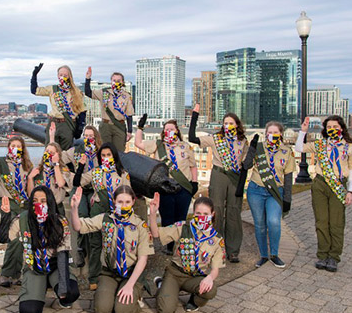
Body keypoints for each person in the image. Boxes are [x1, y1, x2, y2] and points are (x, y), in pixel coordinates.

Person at [70, 185, 154, 313]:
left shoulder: (140, 225)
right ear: (114, 201)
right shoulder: (105, 219)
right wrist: (74, 208)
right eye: (120, 202)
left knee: (122, 312)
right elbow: (78, 226)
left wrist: (130, 285)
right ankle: (113, 293)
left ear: (133, 202)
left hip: (130, 274)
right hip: (109, 272)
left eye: (127, 202)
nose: (124, 205)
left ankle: (136, 298)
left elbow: (143, 259)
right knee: (102, 311)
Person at [188, 104, 254, 263]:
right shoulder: (215, 138)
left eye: (231, 123)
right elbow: (192, 138)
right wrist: (195, 116)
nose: (228, 126)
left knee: (233, 212)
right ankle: (216, 247)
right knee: (216, 211)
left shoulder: (242, 141)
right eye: (225, 123)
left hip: (234, 179)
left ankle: (233, 250)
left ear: (237, 125)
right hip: (218, 175)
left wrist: (248, 162)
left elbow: (246, 162)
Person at [7, 186, 80, 313]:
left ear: (50, 203)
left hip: (54, 266)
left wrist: (63, 287)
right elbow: (5, 239)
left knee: (70, 292)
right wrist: (6, 215)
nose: (38, 204)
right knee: (29, 312)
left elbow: (63, 254)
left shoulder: (60, 221)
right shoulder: (23, 219)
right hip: (34, 266)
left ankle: (59, 292)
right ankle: (38, 287)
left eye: (43, 201)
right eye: (35, 201)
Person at [295, 116, 352, 273]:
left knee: (336, 223)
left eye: (335, 126)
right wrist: (303, 131)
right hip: (320, 184)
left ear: (341, 128)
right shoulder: (320, 144)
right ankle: (322, 255)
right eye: (329, 126)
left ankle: (334, 257)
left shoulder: (348, 146)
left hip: (338, 185)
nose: (332, 129)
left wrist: (350, 190)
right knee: (321, 222)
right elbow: (299, 148)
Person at [148, 195, 226, 313]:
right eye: (198, 213)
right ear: (193, 213)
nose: (202, 217)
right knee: (166, 311)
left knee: (211, 289)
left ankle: (194, 301)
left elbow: (215, 269)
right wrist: (153, 214)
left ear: (212, 214)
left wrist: (210, 278)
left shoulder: (216, 240)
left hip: (194, 277)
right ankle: (162, 285)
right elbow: (156, 234)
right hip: (175, 273)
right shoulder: (183, 227)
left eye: (206, 214)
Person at [135, 115, 199, 252]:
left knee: (181, 218)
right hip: (165, 187)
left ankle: (179, 245)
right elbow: (138, 144)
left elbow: (193, 166)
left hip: (183, 187)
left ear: (177, 131)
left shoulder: (185, 146)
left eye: (171, 128)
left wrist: (195, 183)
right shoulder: (158, 145)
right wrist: (140, 128)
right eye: (166, 129)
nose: (169, 131)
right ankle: (169, 245)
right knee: (167, 217)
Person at [73, 142, 131, 290]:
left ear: (114, 156)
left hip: (117, 211)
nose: (106, 158)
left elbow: (128, 194)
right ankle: (93, 277)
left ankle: (116, 274)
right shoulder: (96, 172)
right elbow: (77, 182)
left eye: (108, 155)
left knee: (116, 243)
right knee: (95, 244)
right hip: (98, 209)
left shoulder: (122, 173)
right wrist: (80, 165)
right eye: (103, 155)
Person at [246, 122, 296, 268]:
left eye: (275, 132)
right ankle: (263, 255)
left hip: (275, 191)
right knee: (260, 224)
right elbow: (246, 165)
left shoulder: (286, 152)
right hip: (256, 189)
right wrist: (251, 149)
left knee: (273, 221)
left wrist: (287, 199)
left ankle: (274, 254)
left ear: (280, 134)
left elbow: (288, 178)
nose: (272, 135)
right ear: (265, 133)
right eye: (270, 132)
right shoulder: (259, 148)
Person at [0, 136, 33, 287]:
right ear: (8, 147)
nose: (15, 148)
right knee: (13, 238)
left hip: (23, 204)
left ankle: (16, 273)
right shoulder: (0, 163)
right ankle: (7, 273)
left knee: (22, 239)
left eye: (18, 146)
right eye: (13, 145)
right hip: (8, 203)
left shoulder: (27, 165)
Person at [58, 124, 102, 269]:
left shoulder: (101, 153)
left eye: (91, 136)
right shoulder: (76, 151)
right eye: (86, 136)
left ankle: (96, 247)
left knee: (94, 214)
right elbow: (61, 158)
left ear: (96, 138)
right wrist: (67, 174)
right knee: (81, 213)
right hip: (80, 187)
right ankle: (81, 247)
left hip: (95, 187)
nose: (89, 139)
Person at [31, 63, 87, 150]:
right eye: (61, 75)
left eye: (65, 75)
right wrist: (34, 75)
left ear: (69, 76)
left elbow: (82, 110)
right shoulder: (53, 89)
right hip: (54, 122)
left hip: (68, 124)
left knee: (67, 151)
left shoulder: (76, 92)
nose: (63, 77)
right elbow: (35, 91)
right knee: (50, 149)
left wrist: (80, 127)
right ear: (57, 76)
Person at [83, 68, 134, 152]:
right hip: (105, 126)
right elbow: (88, 93)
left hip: (119, 126)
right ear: (111, 81)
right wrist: (88, 79)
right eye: (114, 80)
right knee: (105, 150)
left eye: (119, 80)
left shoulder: (126, 96)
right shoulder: (104, 93)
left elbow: (129, 114)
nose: (116, 82)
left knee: (119, 152)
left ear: (123, 82)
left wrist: (129, 131)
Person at [27, 142, 72, 214]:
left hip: (56, 208)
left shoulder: (63, 169)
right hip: (40, 207)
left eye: (51, 153)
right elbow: (31, 194)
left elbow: (60, 183)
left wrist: (55, 164)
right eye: (47, 151)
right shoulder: (38, 170)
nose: (48, 154)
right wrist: (30, 178)